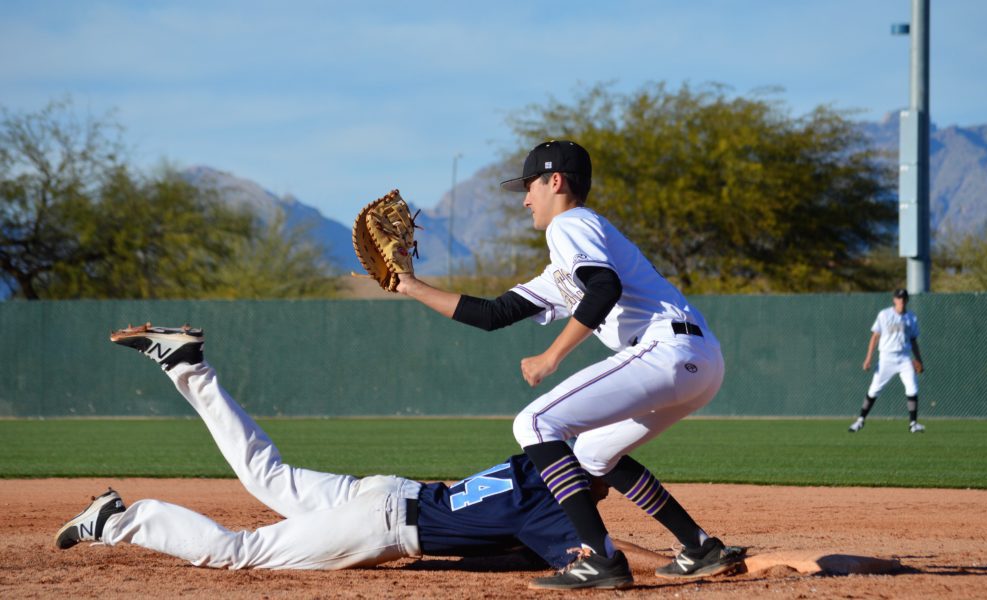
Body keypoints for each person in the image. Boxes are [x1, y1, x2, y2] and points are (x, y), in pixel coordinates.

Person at [394, 140, 745, 589]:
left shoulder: (570, 224)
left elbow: (604, 288)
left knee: (534, 423)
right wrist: (411, 286)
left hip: (667, 351)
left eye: (529, 187)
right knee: (595, 453)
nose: (524, 199)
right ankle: (700, 547)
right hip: (698, 360)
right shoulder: (567, 262)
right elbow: (492, 314)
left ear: (554, 181)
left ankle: (600, 558)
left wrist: (551, 356)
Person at [55, 323, 643, 574]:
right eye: (607, 471)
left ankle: (189, 368)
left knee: (266, 473)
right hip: (382, 526)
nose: (606, 483)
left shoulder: (534, 460)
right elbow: (614, 553)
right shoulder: (553, 511)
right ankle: (118, 522)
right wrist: (692, 561)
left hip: (387, 491)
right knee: (241, 552)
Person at [849, 289, 926, 434]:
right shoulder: (884, 315)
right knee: (874, 390)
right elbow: (875, 336)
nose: (901, 300)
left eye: (903, 297)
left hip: (904, 358)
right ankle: (860, 421)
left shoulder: (911, 317)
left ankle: (913, 424)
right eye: (898, 297)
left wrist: (919, 360)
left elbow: (914, 340)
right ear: (894, 300)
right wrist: (868, 358)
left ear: (907, 300)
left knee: (912, 388)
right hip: (886, 358)